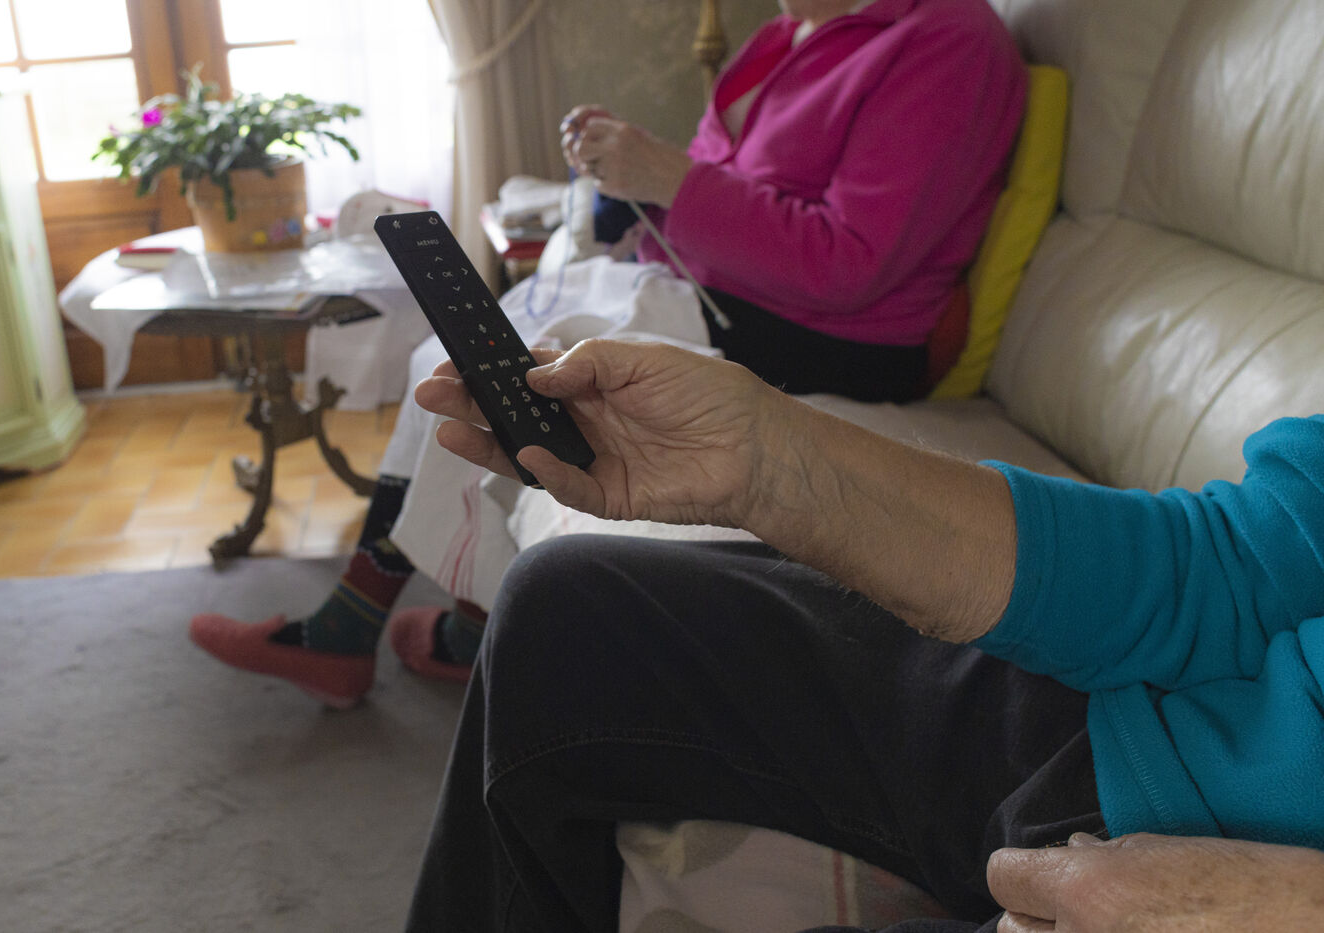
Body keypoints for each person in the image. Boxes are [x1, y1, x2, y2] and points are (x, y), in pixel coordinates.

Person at [189, 0, 1029, 703]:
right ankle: (399, 621)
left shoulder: (948, 40)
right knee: (462, 354)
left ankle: (374, 627)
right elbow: (725, 192)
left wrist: (671, 179)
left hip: (837, 337)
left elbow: (849, 263)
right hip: (729, 297)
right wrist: (631, 176)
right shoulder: (787, 34)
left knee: (523, 362)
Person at [402, 337, 1324, 931]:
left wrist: (1285, 906)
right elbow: (1233, 565)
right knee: (572, 612)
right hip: (1135, 717)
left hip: (1233, 866)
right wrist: (763, 456)